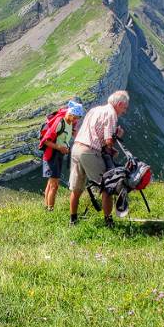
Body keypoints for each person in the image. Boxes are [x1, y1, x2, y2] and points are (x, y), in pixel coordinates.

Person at [69, 90, 129, 227]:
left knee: (77, 188)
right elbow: (108, 140)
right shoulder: (112, 114)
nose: (124, 112)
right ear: (119, 104)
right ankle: (108, 221)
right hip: (89, 152)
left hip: (77, 148)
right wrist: (117, 135)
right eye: (124, 108)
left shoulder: (94, 110)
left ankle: (73, 220)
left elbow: (91, 132)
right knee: (108, 185)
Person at [43, 101, 84, 210]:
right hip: (52, 155)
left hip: (59, 154)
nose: (76, 121)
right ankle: (50, 210)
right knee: (54, 185)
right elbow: (46, 141)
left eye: (78, 118)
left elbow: (73, 133)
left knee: (51, 183)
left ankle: (46, 207)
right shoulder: (59, 122)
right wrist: (60, 148)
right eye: (75, 118)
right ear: (70, 114)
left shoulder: (71, 122)